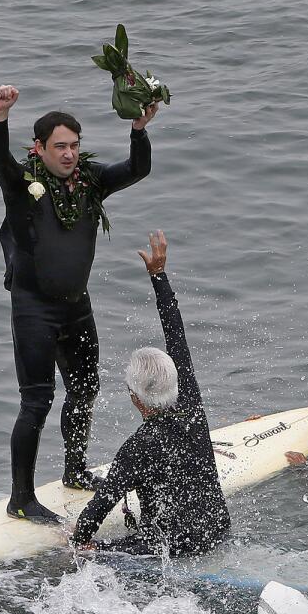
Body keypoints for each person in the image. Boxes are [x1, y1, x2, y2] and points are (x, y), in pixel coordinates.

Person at [0, 84, 158, 522]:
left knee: (85, 390)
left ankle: (75, 470)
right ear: (39, 148)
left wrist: (138, 129)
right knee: (37, 402)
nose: (67, 154)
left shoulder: (91, 181)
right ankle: (20, 498)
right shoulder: (23, 186)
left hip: (77, 308)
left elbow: (138, 169)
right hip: (34, 311)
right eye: (59, 146)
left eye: (74, 146)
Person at [70, 231, 230, 556]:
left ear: (135, 396)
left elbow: (101, 505)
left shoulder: (137, 448)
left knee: (85, 550)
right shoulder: (190, 402)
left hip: (171, 549)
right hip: (218, 529)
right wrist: (159, 276)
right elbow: (177, 335)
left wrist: (77, 540)